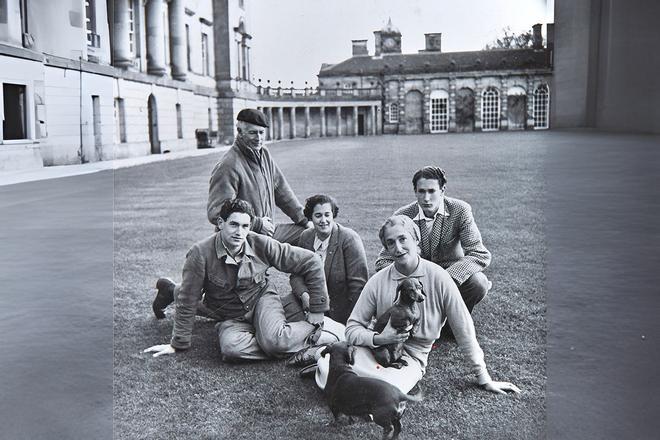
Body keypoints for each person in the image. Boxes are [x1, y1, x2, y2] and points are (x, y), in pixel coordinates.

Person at [314, 215, 520, 396]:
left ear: (416, 240)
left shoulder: (439, 277)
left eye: (403, 239)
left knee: (385, 388)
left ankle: (350, 382)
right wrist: (379, 338)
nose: (398, 248)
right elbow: (353, 328)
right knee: (329, 364)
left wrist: (484, 377)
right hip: (377, 349)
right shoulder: (378, 281)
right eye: (391, 243)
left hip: (411, 358)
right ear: (386, 248)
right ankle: (327, 359)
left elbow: (464, 329)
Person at [145, 198, 340, 361]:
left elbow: (311, 261)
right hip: (229, 315)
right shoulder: (200, 254)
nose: (240, 232)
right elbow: (188, 298)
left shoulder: (261, 243)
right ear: (220, 223)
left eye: (245, 226)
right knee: (231, 349)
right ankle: (273, 336)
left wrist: (317, 308)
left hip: (262, 300)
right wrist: (177, 344)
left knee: (274, 342)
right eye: (234, 224)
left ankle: (317, 332)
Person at [375, 166, 492, 314]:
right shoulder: (403, 215)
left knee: (478, 282)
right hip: (416, 280)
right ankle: (417, 317)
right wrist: (410, 279)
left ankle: (450, 324)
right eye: (421, 191)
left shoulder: (460, 210)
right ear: (415, 192)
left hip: (451, 277)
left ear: (442, 190)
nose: (426, 198)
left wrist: (445, 278)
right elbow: (383, 261)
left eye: (432, 191)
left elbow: (479, 253)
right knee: (385, 284)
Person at [207, 108, 310, 246]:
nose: (259, 138)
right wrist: (256, 223)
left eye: (261, 133)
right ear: (240, 132)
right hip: (242, 240)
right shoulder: (228, 165)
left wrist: (305, 220)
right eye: (252, 133)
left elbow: (281, 191)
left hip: (267, 232)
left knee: (315, 234)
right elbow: (217, 212)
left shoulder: (263, 153)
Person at [284, 194, 369, 325]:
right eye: (318, 216)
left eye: (327, 215)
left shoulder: (349, 239)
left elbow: (358, 287)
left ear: (333, 215)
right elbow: (296, 276)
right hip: (306, 305)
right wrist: (304, 295)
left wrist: (355, 323)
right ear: (311, 217)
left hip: (340, 313)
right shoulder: (305, 237)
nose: (323, 220)